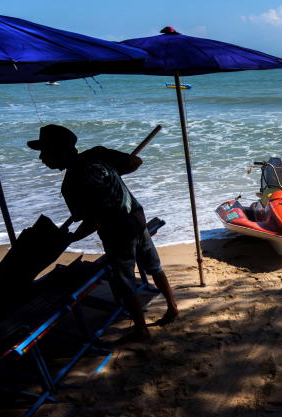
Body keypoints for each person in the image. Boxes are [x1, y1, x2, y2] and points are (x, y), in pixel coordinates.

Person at [28, 124, 178, 342]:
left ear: (59, 152)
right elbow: (135, 162)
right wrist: (118, 168)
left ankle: (142, 330)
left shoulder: (70, 184)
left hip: (117, 233)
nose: (42, 158)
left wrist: (70, 238)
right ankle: (172, 308)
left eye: (45, 152)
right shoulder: (98, 154)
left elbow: (92, 221)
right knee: (154, 266)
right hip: (136, 218)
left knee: (126, 284)